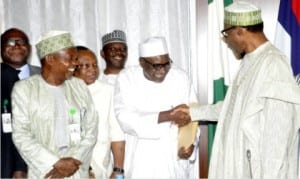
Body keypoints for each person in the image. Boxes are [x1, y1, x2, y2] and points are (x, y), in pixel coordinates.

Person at [185, 1, 300, 178]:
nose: (226, 40)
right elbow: (233, 108)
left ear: (239, 31)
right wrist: (192, 113)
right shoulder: (251, 60)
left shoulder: (273, 65)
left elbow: (278, 137)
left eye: (226, 33)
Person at [11, 31, 98, 178]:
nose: (75, 63)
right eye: (70, 59)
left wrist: (74, 160)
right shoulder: (25, 89)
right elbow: (21, 134)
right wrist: (55, 163)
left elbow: (91, 127)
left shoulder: (79, 86)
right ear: (51, 59)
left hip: (77, 169)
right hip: (44, 171)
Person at [114, 36, 200, 179]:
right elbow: (125, 118)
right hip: (141, 161)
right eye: (156, 65)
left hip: (173, 161)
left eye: (166, 64)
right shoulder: (127, 78)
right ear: (142, 62)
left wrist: (189, 144)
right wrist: (167, 116)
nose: (163, 70)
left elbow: (192, 116)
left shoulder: (180, 77)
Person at [73, 46, 125, 178]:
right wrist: (85, 168)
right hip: (73, 167)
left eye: (95, 65)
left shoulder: (108, 91)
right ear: (72, 67)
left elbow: (116, 133)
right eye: (85, 66)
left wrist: (118, 170)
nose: (92, 70)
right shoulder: (64, 92)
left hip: (102, 166)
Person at [1, 28, 41, 178]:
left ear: (29, 49)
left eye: (21, 42)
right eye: (10, 42)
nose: (16, 46)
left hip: (42, 163)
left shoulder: (46, 76)